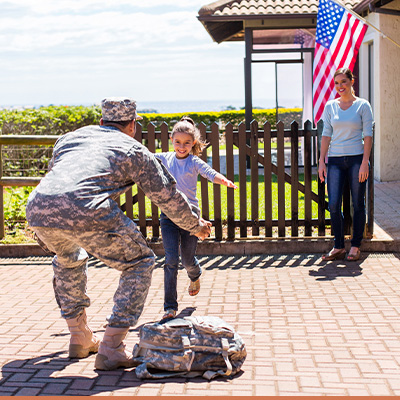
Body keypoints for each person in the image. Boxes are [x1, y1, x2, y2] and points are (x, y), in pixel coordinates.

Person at [26, 98, 211, 371]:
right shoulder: (134, 149)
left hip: (39, 207)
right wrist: (195, 225)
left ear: (101, 122)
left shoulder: (69, 138)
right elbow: (167, 197)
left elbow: (59, 176)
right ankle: (111, 347)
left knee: (69, 257)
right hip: (87, 207)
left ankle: (79, 337)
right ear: (133, 125)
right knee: (139, 262)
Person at [155, 116, 237, 321]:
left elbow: (209, 173)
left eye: (187, 143)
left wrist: (224, 181)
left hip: (191, 218)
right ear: (172, 140)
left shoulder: (193, 161)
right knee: (171, 260)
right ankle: (170, 308)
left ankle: (195, 275)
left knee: (187, 260)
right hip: (169, 216)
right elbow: (143, 157)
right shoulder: (165, 158)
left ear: (193, 143)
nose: (182, 147)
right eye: (178, 142)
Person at [318, 68, 373, 261]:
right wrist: (321, 162)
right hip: (334, 160)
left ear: (351, 81)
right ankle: (339, 246)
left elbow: (368, 135)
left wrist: (365, 162)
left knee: (358, 203)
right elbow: (326, 135)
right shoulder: (330, 106)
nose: (340, 86)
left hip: (357, 159)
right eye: (337, 83)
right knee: (333, 204)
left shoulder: (363, 106)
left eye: (343, 81)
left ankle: (355, 246)